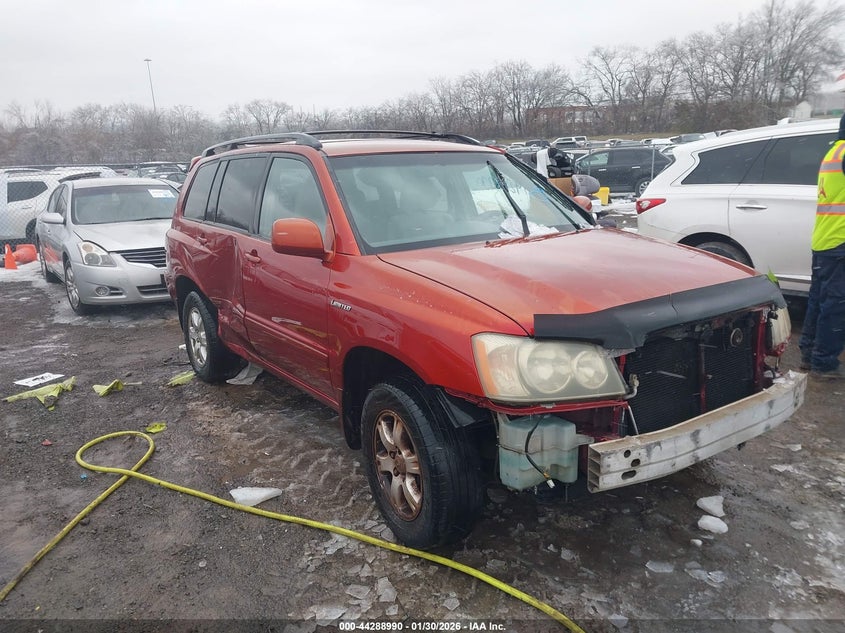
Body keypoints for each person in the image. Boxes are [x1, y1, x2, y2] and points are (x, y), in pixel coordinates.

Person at [798, 112, 845, 380]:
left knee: (819, 301)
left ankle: (809, 353)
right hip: (840, 241)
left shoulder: (834, 152)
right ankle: (824, 363)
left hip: (826, 240)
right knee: (836, 305)